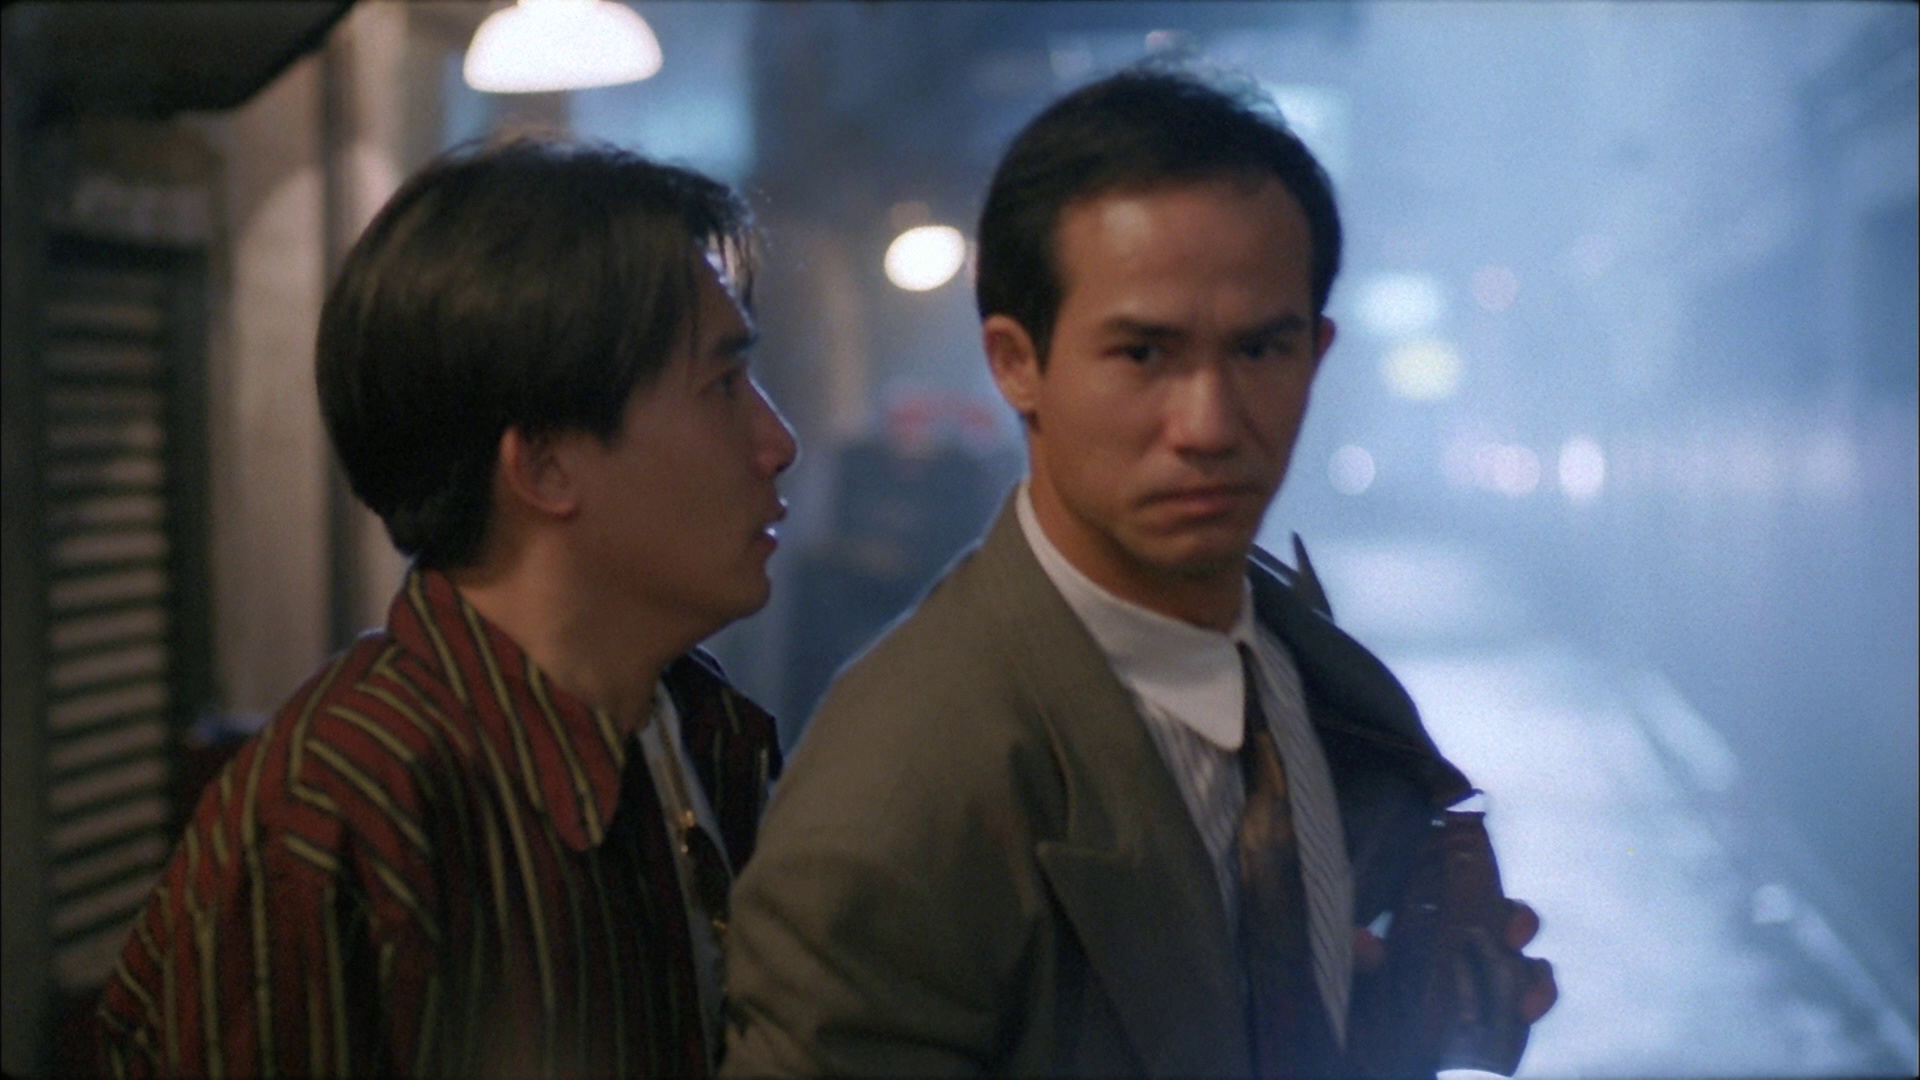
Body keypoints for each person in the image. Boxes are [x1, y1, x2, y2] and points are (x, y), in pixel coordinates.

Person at [722, 67, 1555, 1077]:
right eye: (1143, 355)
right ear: (1016, 363)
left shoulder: (1290, 662)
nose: (1208, 424)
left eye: (1261, 350)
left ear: (1317, 353)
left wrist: (1379, 1013)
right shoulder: (902, 790)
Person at [95, 136, 799, 1078]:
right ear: (544, 464)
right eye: (722, 385)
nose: (778, 440)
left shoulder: (703, 730)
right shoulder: (342, 812)